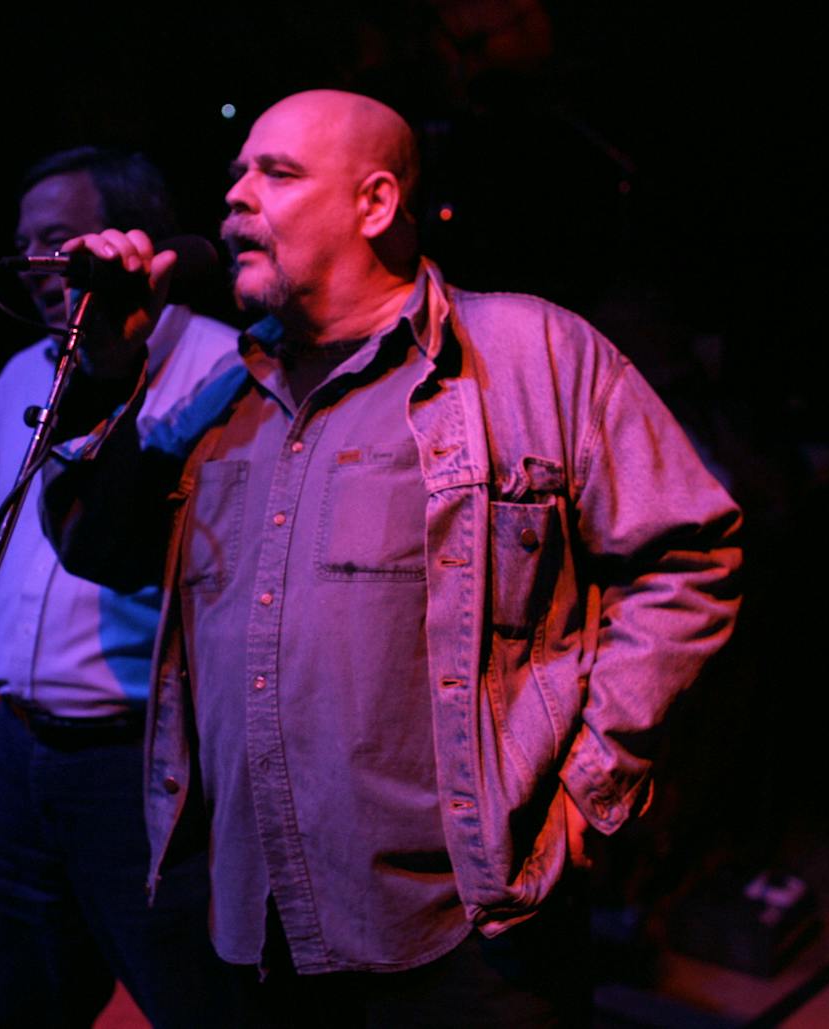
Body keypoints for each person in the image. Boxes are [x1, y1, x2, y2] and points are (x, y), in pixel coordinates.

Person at [43, 92, 742, 1026]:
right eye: (237, 174)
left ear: (375, 205)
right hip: (256, 930)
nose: (235, 197)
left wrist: (589, 785)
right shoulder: (221, 390)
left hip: (468, 938)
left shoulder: (533, 355)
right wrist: (108, 370)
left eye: (276, 174)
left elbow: (687, 556)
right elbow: (97, 546)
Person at [0, 147, 238, 1027]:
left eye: (61, 240)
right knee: (24, 999)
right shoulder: (19, 374)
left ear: (133, 238)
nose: (42, 265)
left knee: (188, 991)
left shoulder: (226, 369)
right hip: (18, 751)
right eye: (26, 245)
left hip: (141, 762)